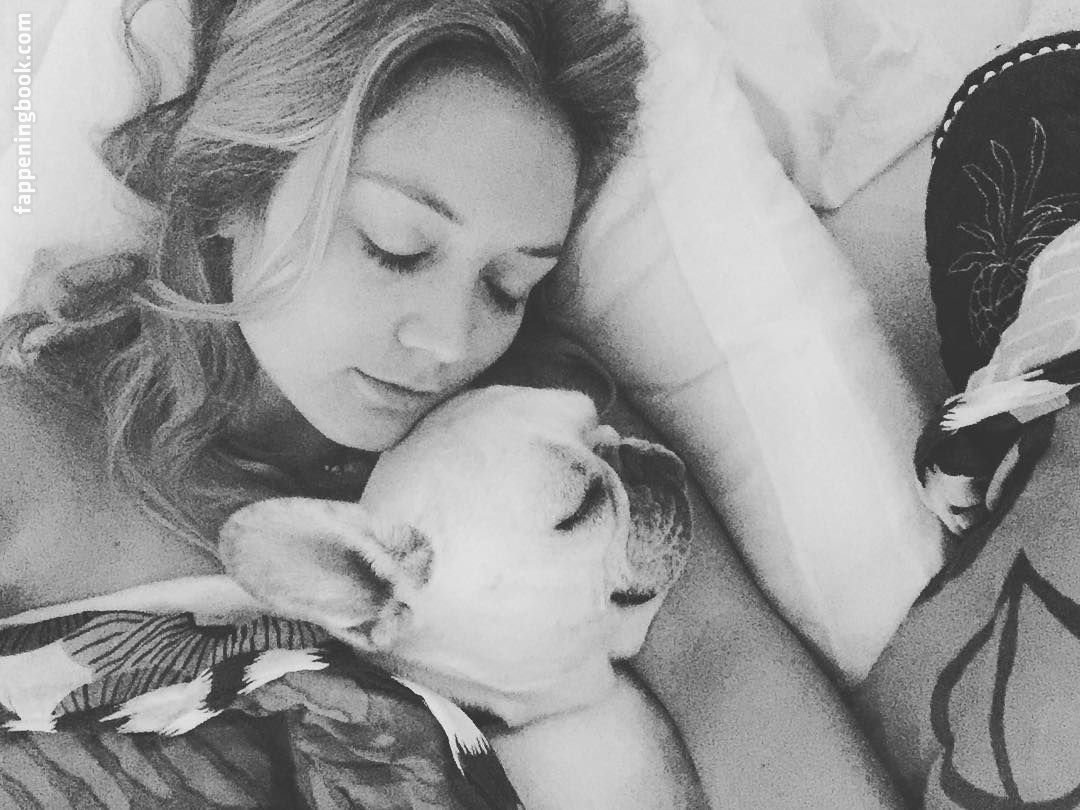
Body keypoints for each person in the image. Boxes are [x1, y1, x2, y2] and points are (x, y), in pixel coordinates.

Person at [0, 0, 904, 806]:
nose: (450, 341)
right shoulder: (29, 451)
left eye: (509, 286)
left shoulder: (540, 427)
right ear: (234, 187)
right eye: (395, 247)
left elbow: (726, 665)